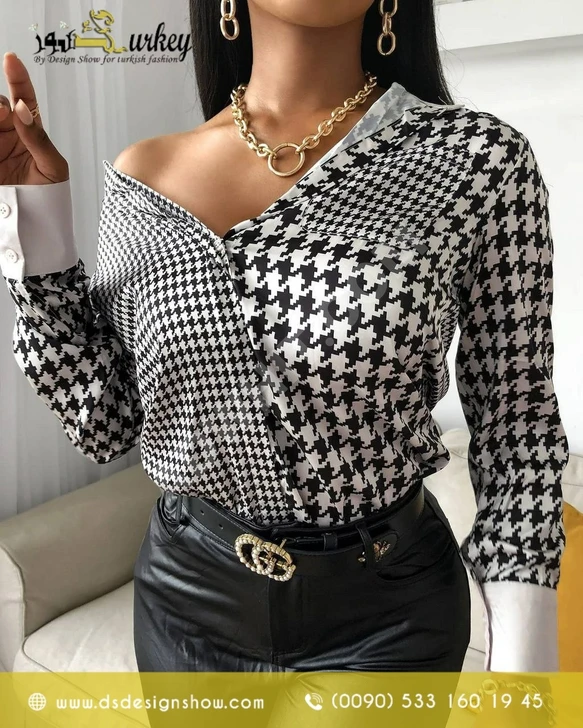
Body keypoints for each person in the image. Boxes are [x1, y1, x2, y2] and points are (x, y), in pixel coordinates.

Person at [0, 0, 568, 708]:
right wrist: (38, 227)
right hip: (187, 601)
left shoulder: (475, 160)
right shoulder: (145, 178)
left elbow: (517, 421)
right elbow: (107, 423)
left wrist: (523, 681)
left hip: (386, 614)